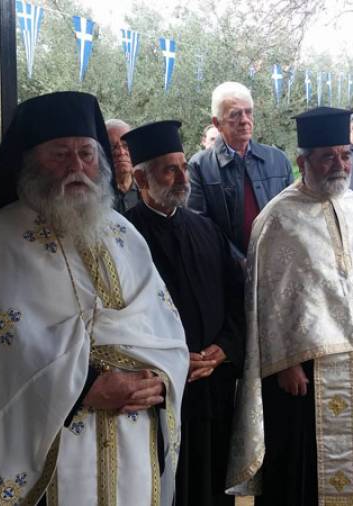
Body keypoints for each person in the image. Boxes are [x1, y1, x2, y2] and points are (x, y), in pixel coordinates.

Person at [0, 92, 188, 505]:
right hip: (51, 434)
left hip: (132, 427)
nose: (76, 166)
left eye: (86, 154)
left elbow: (164, 326)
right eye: (60, 155)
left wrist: (159, 380)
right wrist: (86, 388)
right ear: (30, 162)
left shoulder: (123, 232)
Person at [226, 106, 353, 506]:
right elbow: (265, 300)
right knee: (303, 473)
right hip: (305, 373)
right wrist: (284, 363)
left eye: (344, 155)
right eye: (327, 157)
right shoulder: (277, 218)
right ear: (303, 161)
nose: (340, 165)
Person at [123, 120, 245, 506]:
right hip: (161, 395)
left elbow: (238, 298)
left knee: (214, 486)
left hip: (213, 387)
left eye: (183, 167)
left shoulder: (207, 230)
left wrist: (225, 348)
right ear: (141, 179)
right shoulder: (123, 237)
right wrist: (167, 363)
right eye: (169, 170)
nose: (181, 178)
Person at [188, 81, 294, 258]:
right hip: (226, 267)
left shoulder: (278, 160)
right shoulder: (200, 166)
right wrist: (239, 262)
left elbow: (292, 215)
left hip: (275, 263)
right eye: (235, 114)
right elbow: (201, 226)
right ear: (217, 123)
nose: (244, 120)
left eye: (248, 112)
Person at [106, 118, 141, 213]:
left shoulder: (148, 191)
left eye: (126, 145)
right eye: (112, 146)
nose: (121, 152)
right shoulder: (94, 196)